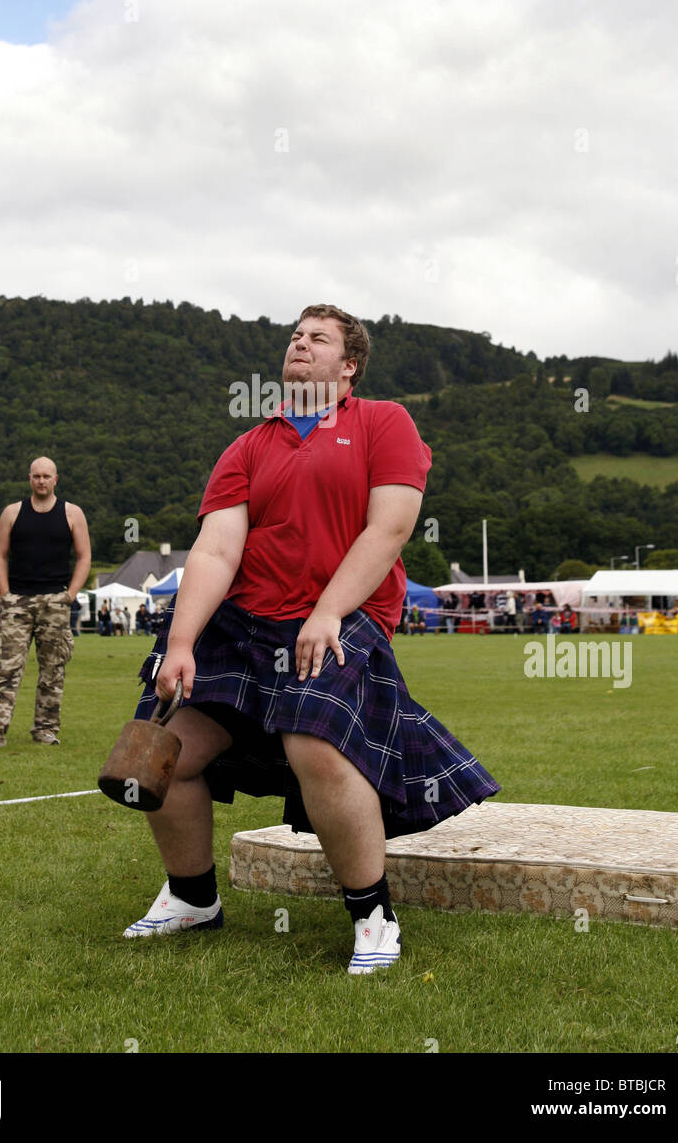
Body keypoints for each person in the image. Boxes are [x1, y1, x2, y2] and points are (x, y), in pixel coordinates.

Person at [120, 304, 500, 975]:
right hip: (243, 621)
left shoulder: (384, 423)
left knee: (313, 744)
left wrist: (328, 612)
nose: (300, 343)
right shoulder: (250, 445)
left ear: (348, 366)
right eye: (296, 335)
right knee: (159, 751)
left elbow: (389, 527)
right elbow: (216, 549)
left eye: (317, 338)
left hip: (341, 611)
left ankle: (373, 917)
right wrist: (180, 641)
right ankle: (192, 898)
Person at [0, 458, 91, 749]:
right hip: (18, 601)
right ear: (29, 478)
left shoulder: (72, 513)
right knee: (6, 668)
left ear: (56, 479)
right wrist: (5, 594)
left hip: (55, 601)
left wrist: (69, 594)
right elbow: (0, 554)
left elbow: (84, 556)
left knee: (53, 669)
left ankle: (46, 729)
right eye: (36, 476)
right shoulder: (12, 512)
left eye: (46, 476)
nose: (41, 481)